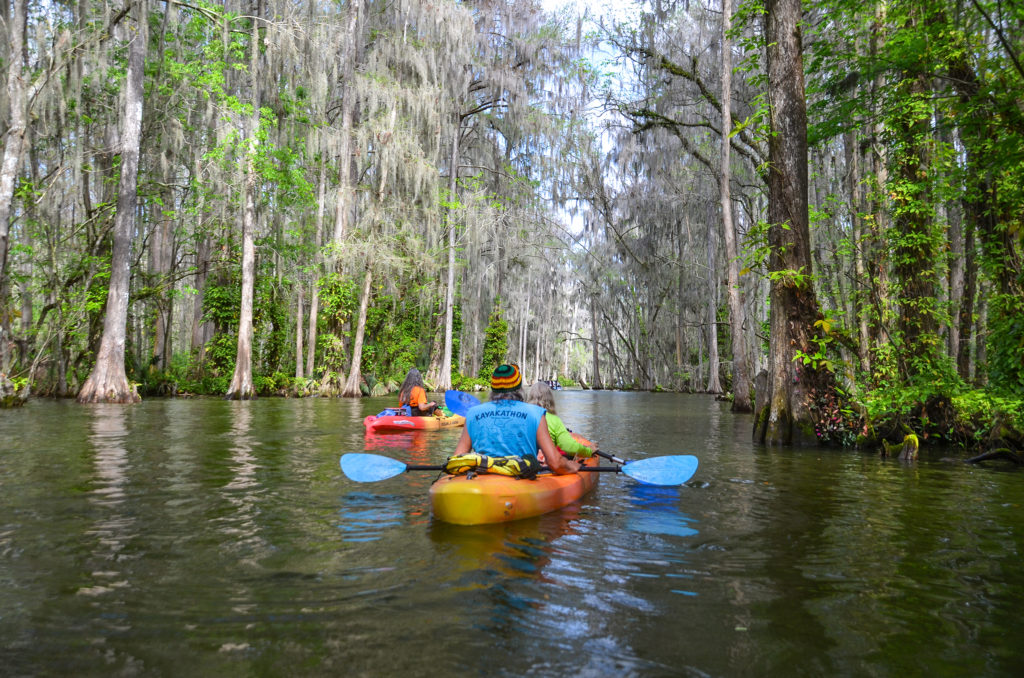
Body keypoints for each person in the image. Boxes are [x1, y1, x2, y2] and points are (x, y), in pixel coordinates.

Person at [453, 364, 580, 475]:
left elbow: (458, 459)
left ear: (493, 388)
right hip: (521, 477)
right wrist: (572, 466)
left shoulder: (473, 413)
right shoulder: (535, 413)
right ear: (519, 388)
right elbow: (555, 463)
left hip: (483, 476)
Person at [526, 380, 594, 459]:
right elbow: (568, 447)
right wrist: (589, 451)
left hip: (525, 463)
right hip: (546, 463)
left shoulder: (522, 417)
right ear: (550, 399)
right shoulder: (553, 419)